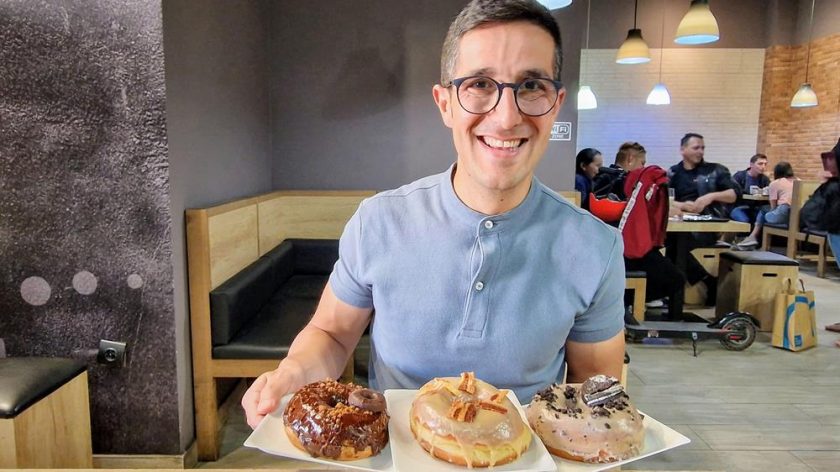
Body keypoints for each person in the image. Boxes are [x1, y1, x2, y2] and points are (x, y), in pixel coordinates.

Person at [242, 0, 626, 429]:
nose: (505, 117)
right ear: (445, 104)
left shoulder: (597, 248)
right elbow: (331, 336)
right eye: (480, 83)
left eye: (531, 85)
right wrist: (293, 372)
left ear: (555, 104)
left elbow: (595, 387)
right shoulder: (378, 221)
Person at [666, 133, 739, 304]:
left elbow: (733, 195)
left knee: (675, 246)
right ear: (683, 150)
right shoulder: (673, 172)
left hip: (707, 225)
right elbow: (664, 198)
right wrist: (682, 206)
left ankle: (675, 294)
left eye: (702, 148)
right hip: (681, 223)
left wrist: (710, 197)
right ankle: (707, 281)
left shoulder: (716, 170)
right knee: (667, 243)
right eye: (696, 148)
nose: (700, 151)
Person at [737, 161, 796, 248]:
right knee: (764, 211)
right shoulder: (799, 181)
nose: (763, 167)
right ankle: (754, 239)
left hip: (782, 215)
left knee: (763, 210)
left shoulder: (775, 183)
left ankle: (753, 237)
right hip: (797, 217)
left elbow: (773, 207)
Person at [730, 153, 770, 224]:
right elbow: (732, 192)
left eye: (765, 164)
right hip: (739, 207)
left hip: (756, 208)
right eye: (760, 164)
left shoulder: (764, 179)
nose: (763, 167)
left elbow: (770, 192)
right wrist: (749, 192)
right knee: (745, 222)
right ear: (751, 164)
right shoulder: (739, 176)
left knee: (765, 219)